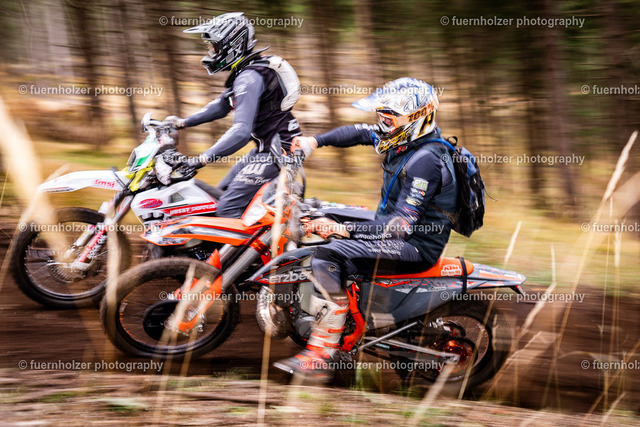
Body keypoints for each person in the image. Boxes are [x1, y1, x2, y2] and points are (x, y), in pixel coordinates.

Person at [273, 78, 458, 381]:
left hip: (414, 244)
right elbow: (358, 132)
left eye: (390, 117)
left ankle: (322, 355)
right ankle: (333, 313)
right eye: (381, 115)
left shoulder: (425, 161)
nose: (382, 123)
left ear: (416, 118)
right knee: (322, 211)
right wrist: (313, 142)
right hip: (394, 227)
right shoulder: (401, 138)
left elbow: (400, 226)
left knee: (328, 255)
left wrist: (343, 230)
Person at [165, 12, 302, 218]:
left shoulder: (249, 77)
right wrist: (182, 123)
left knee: (227, 209)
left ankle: (272, 236)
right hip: (268, 150)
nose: (211, 52)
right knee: (219, 195)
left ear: (231, 45)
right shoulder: (249, 70)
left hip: (277, 154)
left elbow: (241, 131)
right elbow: (222, 105)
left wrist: (201, 160)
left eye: (214, 47)